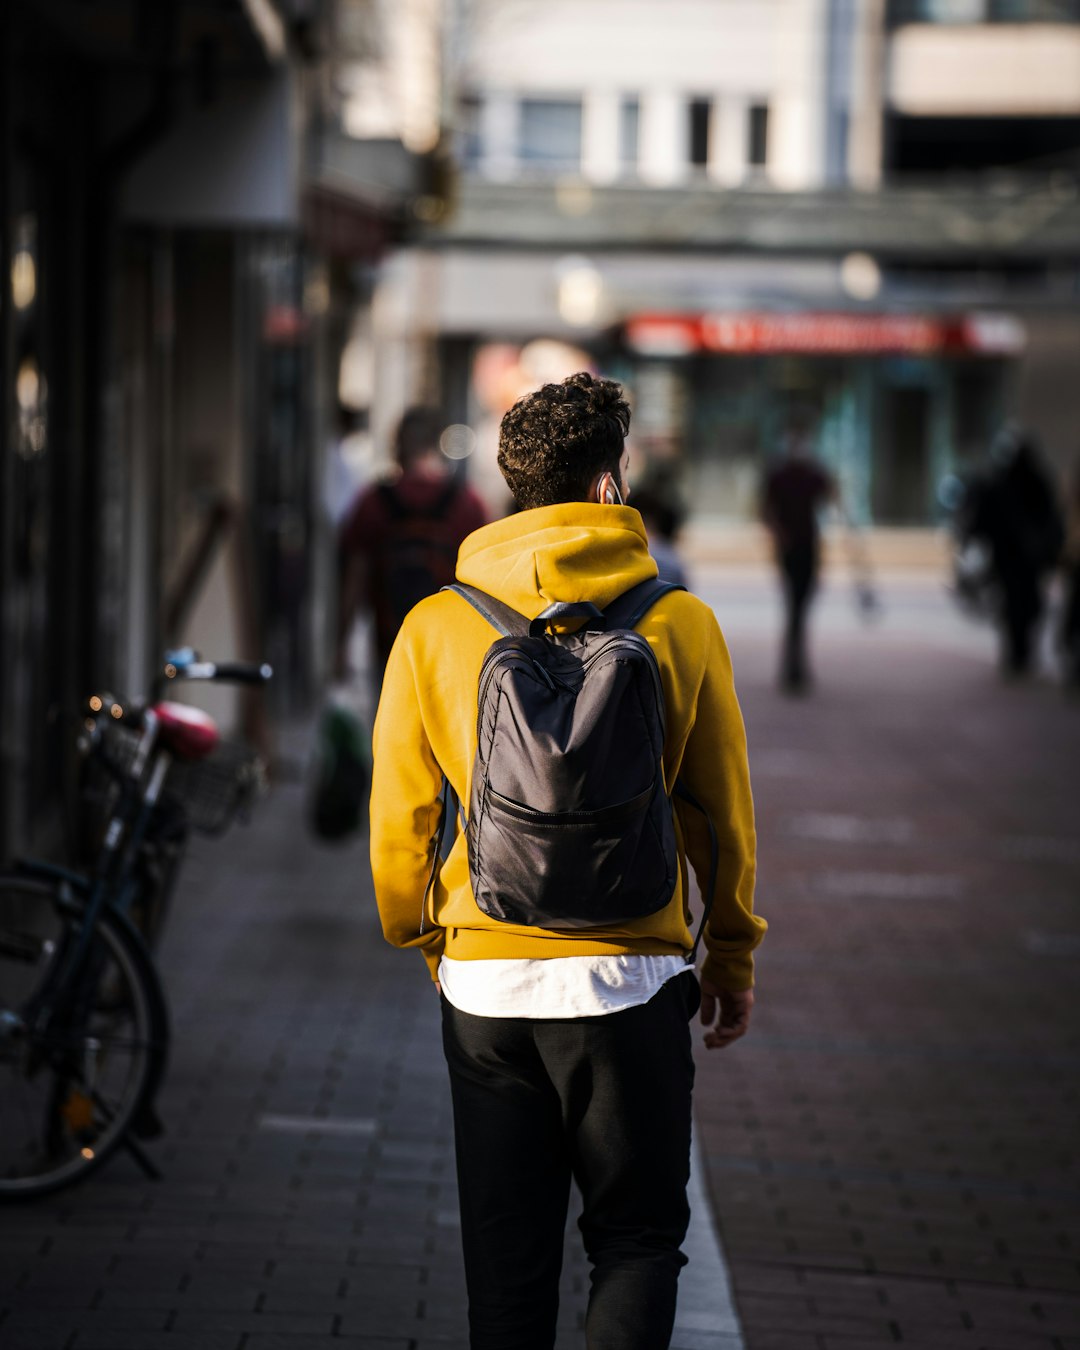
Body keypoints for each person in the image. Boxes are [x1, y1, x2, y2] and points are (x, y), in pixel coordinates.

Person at [369, 372, 765, 1350]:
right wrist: (731, 957)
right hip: (631, 980)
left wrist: (431, 937)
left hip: (487, 987)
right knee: (634, 1240)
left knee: (507, 1267)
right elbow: (721, 816)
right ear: (606, 486)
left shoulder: (434, 626)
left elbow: (400, 821)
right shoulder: (682, 624)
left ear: (512, 487)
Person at [336, 407, 488, 685]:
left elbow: (354, 578)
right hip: (448, 642)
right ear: (437, 444)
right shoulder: (466, 502)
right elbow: (483, 582)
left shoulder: (373, 502)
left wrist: (341, 644)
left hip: (390, 638)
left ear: (396, 448)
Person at [962, 428, 1064, 677]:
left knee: (1021, 606)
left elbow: (1050, 519)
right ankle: (1018, 653)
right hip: (1015, 557)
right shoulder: (1011, 482)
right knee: (1018, 606)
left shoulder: (1022, 481)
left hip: (1022, 557)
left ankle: (1020, 653)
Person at [760, 422, 836, 693]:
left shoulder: (812, 474)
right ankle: (793, 668)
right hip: (791, 549)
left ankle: (795, 667)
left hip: (808, 546)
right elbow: (765, 511)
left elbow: (831, 496)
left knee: (799, 608)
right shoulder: (779, 475)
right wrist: (780, 536)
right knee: (795, 607)